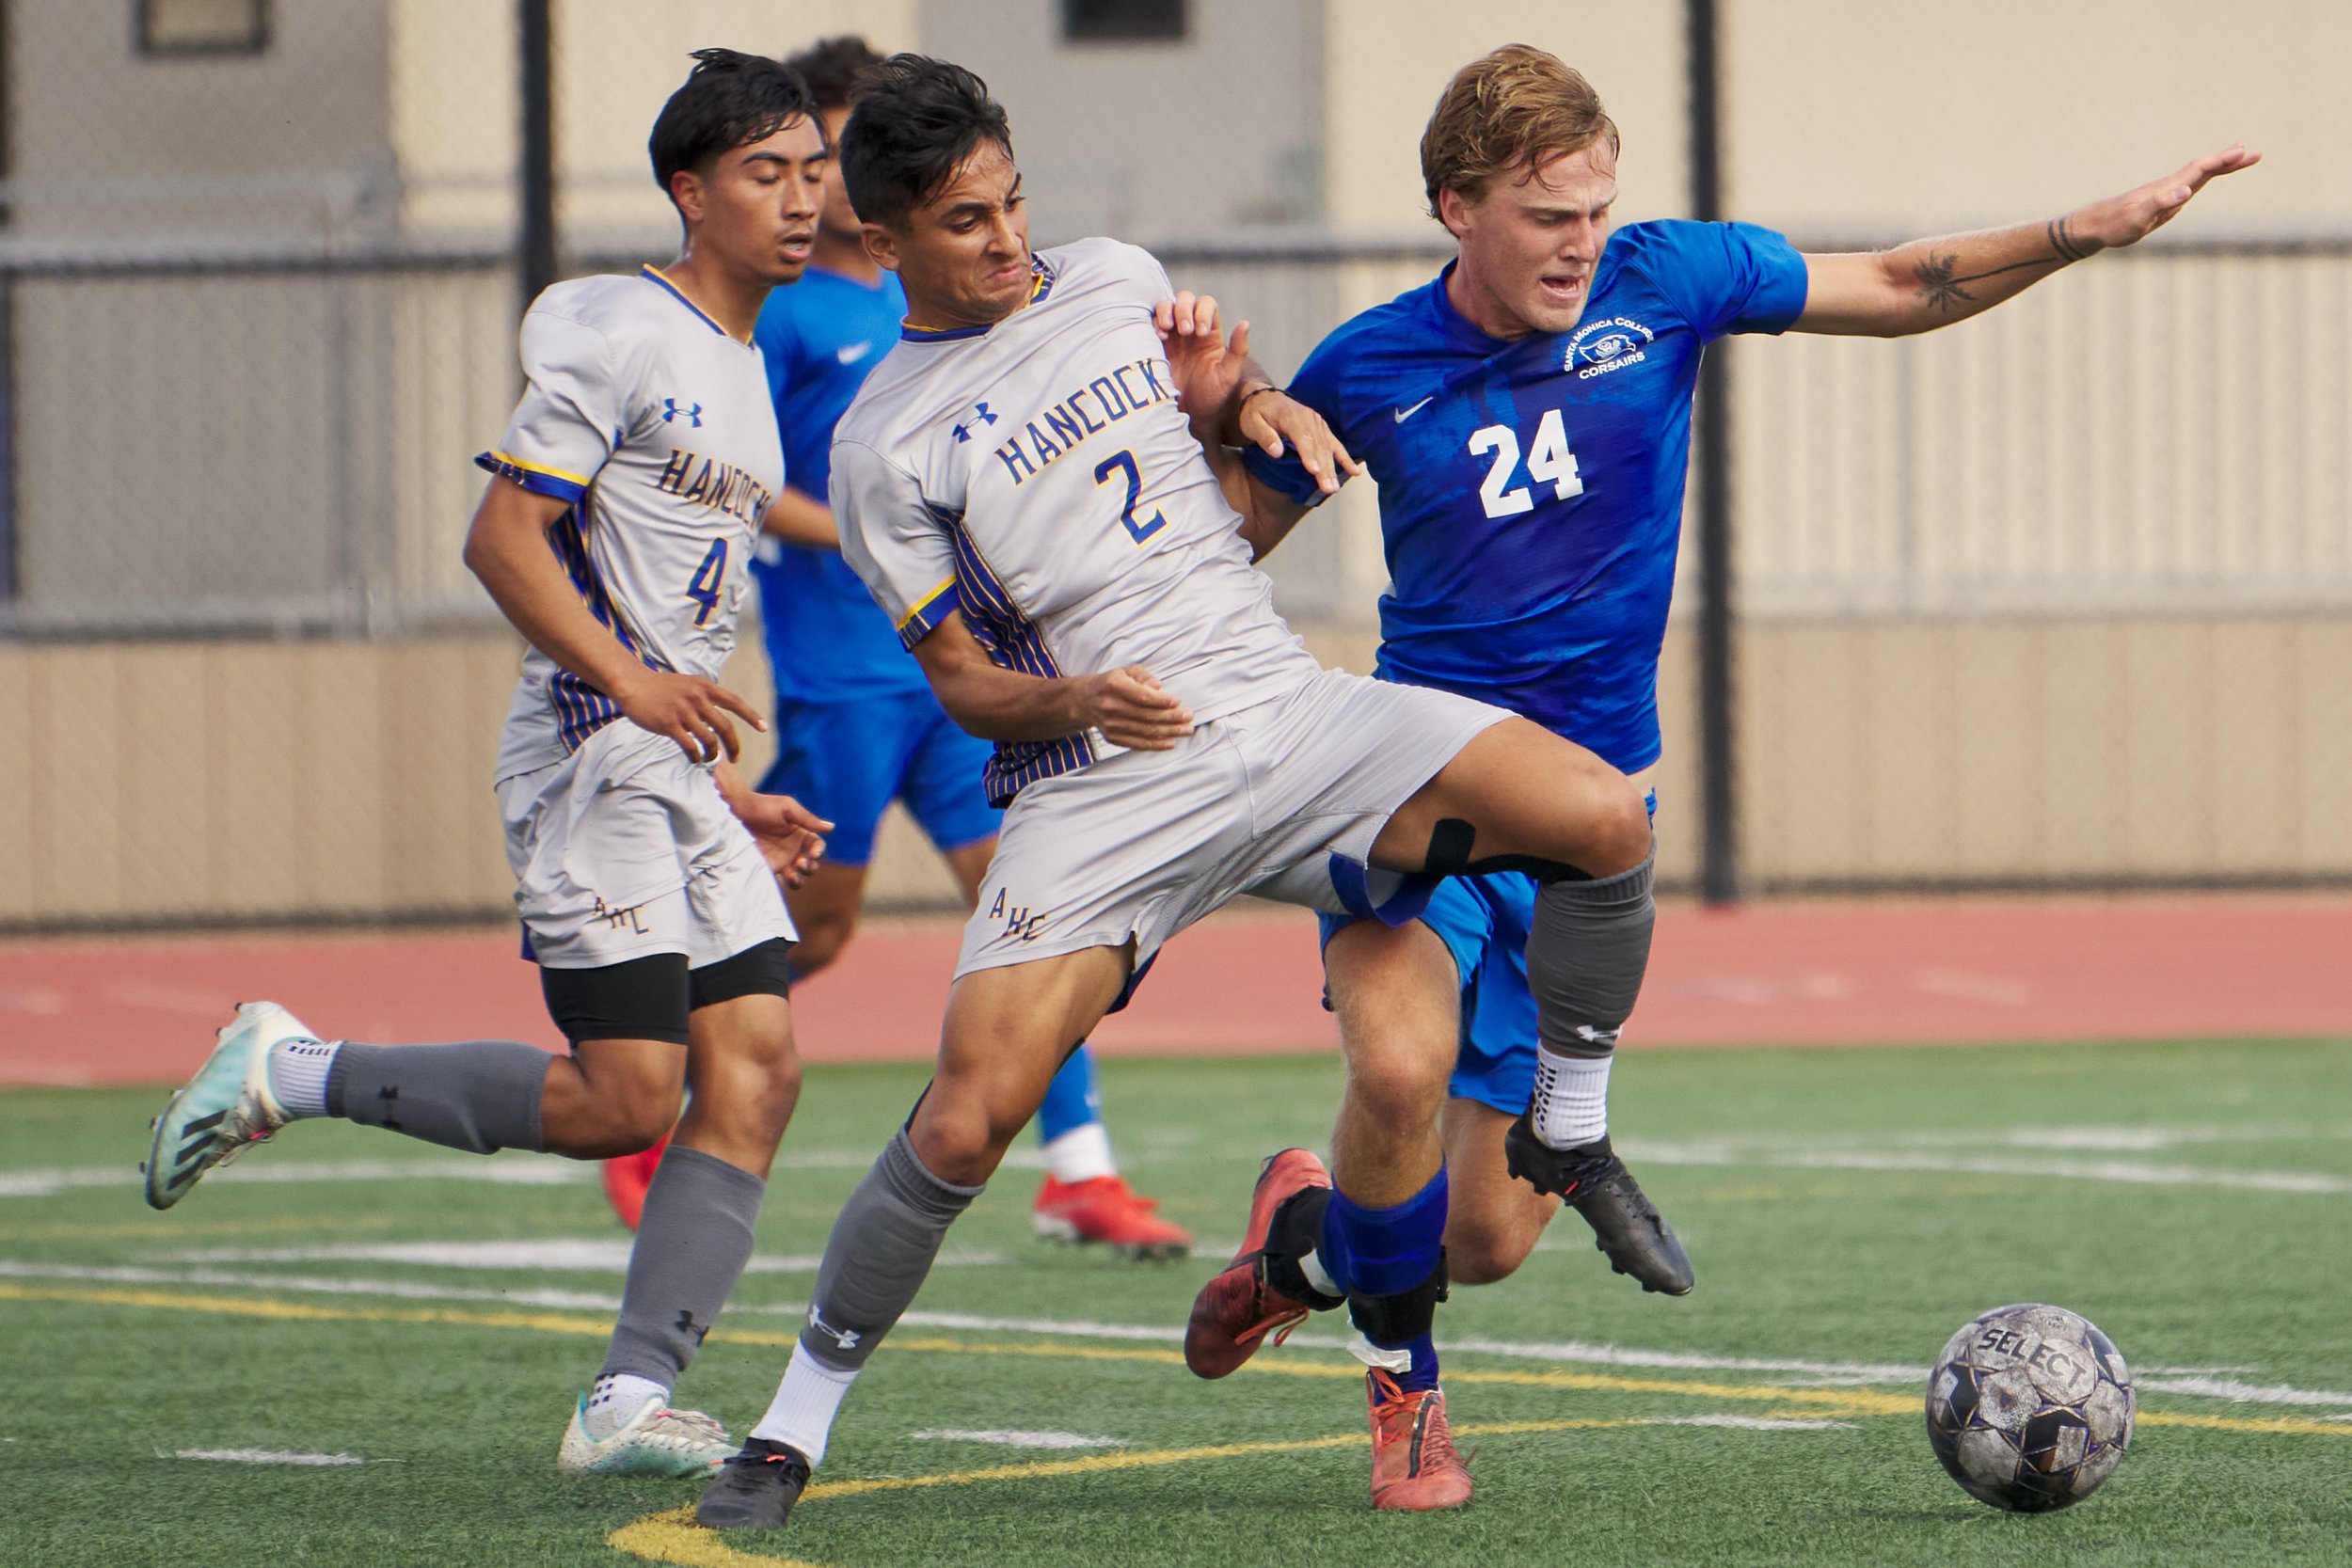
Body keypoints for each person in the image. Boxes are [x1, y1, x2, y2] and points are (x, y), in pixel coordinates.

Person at [1201, 35, 2257, 1443]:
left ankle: (1302, 1249)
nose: (1582, 245)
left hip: (1585, 839)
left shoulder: (1668, 279)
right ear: (1457, 206)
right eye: (1546, 217)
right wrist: (1220, 404)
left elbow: (1892, 286)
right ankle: (1409, 1406)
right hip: (1423, 793)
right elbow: (1216, 553)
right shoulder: (1370, 366)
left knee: (1485, 1241)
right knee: (1395, 1073)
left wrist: (2089, 229)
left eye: (1595, 209)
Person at [691, 54, 1663, 1532]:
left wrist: (1243, 395)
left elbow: (1210, 433)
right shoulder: (884, 443)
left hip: (1283, 717)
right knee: (963, 1125)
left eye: (1015, 199)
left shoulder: (1114, 279)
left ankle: (1535, 1182)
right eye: (966, 221)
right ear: (884, 244)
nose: (1010, 238)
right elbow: (959, 683)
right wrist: (1073, 697)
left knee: (1603, 819)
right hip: (1103, 787)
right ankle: (788, 1427)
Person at [142, 49, 838, 1480]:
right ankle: (293, 1066)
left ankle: (629, 1400)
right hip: (589, 752)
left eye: (814, 172)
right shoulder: (618, 326)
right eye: (768, 173)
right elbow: (503, 542)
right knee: (628, 1099)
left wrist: (719, 785)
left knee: (758, 1071)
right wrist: (640, 690)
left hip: (662, 766)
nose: (802, 199)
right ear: (688, 192)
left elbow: (659, 592)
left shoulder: (745, 365)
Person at [599, 36, 1188, 1259]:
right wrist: (887, 545)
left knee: (1035, 913)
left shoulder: (937, 300)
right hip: (854, 675)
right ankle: (640, 1091)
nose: (838, 180)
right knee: (814, 930)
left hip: (970, 681)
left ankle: (1080, 1172)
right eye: (826, 156)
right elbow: (744, 482)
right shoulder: (795, 314)